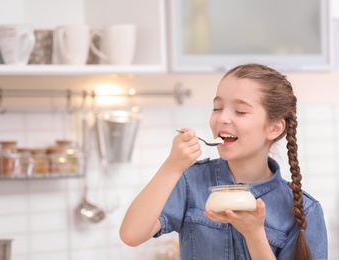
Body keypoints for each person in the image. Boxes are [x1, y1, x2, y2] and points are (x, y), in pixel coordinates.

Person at [119, 63, 328, 260]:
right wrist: (172, 166)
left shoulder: (304, 210)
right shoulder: (190, 182)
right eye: (217, 108)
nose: (222, 119)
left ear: (274, 128)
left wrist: (254, 234)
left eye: (240, 111)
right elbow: (131, 235)